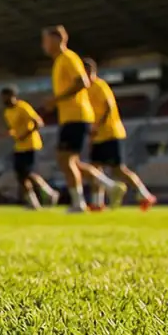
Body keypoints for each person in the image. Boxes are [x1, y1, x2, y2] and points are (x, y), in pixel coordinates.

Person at [41, 25, 119, 213]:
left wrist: (56, 99)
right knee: (69, 161)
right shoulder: (59, 61)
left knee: (65, 161)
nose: (43, 45)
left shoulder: (68, 58)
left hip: (77, 116)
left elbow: (81, 82)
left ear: (58, 39)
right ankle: (108, 187)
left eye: (45, 40)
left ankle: (80, 203)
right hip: (71, 117)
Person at [84, 58, 157, 211]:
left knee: (118, 169)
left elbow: (108, 107)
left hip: (111, 133)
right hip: (97, 136)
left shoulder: (100, 86)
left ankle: (145, 195)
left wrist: (97, 126)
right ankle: (98, 203)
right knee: (95, 169)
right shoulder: (86, 90)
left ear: (90, 71)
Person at [1, 87, 59, 209]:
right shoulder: (7, 112)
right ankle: (33, 203)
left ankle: (49, 193)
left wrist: (25, 134)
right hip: (19, 147)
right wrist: (4, 134)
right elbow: (14, 129)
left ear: (13, 96)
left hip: (31, 144)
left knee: (28, 173)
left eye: (7, 96)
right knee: (21, 176)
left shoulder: (23, 107)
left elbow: (38, 122)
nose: (4, 99)